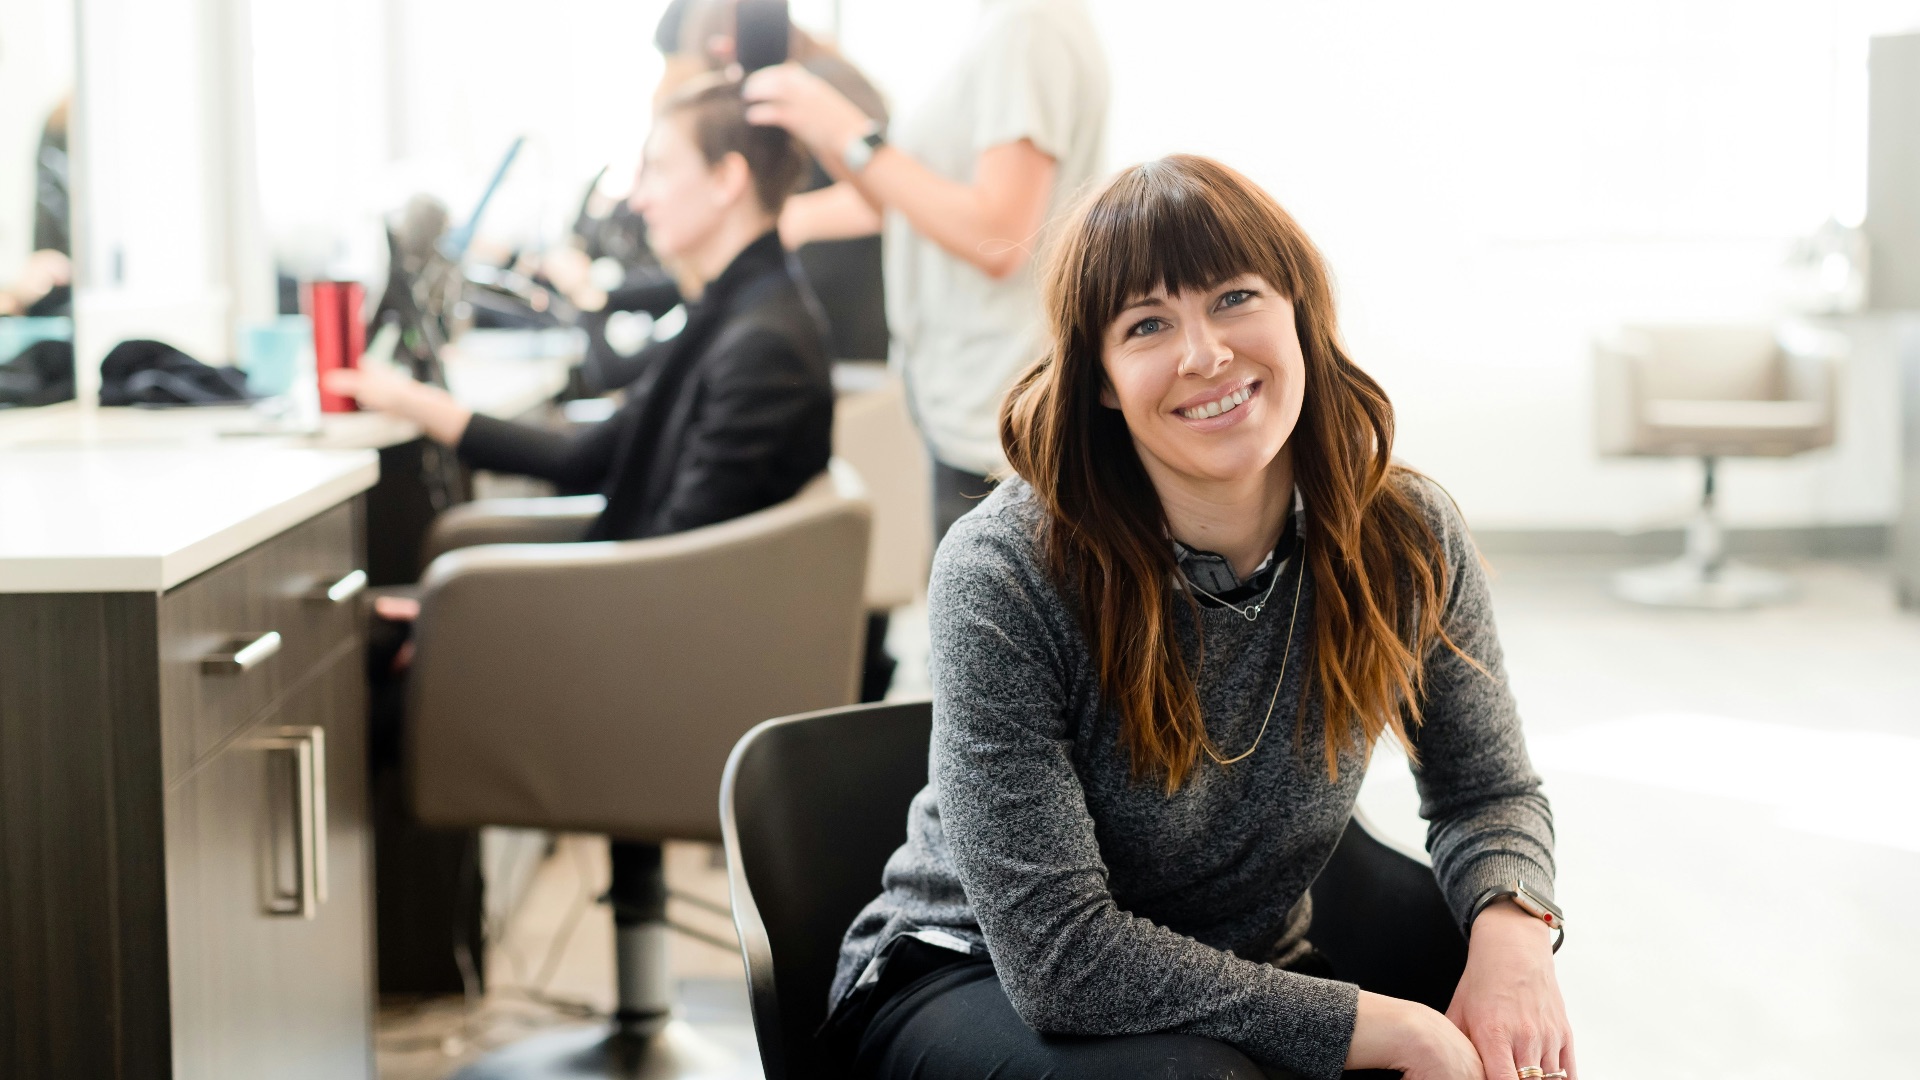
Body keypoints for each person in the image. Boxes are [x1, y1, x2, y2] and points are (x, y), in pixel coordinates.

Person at [823, 156, 1572, 1080]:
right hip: (968, 976)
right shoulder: (1006, 569)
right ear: (1098, 379)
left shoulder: (1404, 534)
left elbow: (1485, 790)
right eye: (1147, 325)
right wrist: (1393, 1028)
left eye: (1233, 298)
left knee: (1508, 1046)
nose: (1205, 354)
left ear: (1298, 309)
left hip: (1242, 984)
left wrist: (1514, 938)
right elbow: (1059, 959)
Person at [328, 77, 832, 547]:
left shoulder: (762, 344)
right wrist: (410, 400)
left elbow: (681, 565)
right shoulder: (732, 314)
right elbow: (580, 457)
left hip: (652, 622)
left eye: (656, 171)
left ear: (726, 179)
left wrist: (467, 614)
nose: (639, 200)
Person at [744, 0, 1109, 543]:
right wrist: (824, 131)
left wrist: (844, 129)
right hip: (962, 399)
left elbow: (1000, 236)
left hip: (1000, 410)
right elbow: (902, 205)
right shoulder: (997, 30)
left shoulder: (1029, 24)